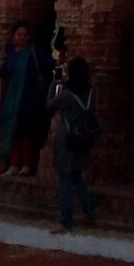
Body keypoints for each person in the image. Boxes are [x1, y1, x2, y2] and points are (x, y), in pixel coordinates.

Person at [47, 41, 100, 231]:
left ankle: (66, 221)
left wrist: (54, 84)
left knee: (65, 181)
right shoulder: (91, 93)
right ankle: (90, 212)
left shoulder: (67, 95)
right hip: (83, 138)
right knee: (76, 177)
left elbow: (49, 106)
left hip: (67, 140)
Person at [0, 21, 48, 175]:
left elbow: (47, 69)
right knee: (14, 131)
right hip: (12, 99)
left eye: (25, 35)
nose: (22, 38)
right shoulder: (11, 54)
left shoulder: (34, 53)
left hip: (29, 99)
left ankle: (27, 164)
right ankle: (14, 164)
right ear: (13, 37)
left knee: (27, 133)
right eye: (19, 34)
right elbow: (5, 72)